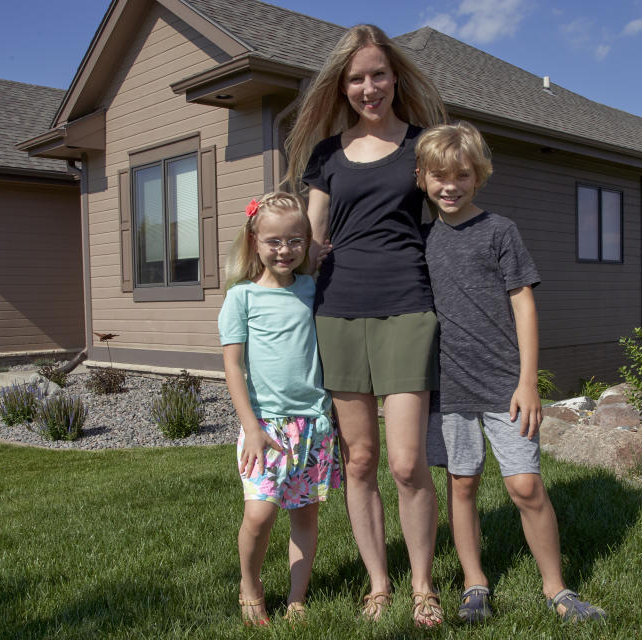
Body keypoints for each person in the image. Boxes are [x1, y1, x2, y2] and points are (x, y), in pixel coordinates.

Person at [284, 24, 447, 626]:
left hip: (407, 305)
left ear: (394, 77)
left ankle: (423, 583)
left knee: (406, 462)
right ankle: (380, 582)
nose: (368, 87)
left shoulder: (424, 146)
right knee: (359, 460)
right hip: (339, 312)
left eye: (377, 74)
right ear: (342, 86)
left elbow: (452, 207)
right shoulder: (326, 155)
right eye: (356, 78)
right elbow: (311, 237)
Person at [416, 122, 608, 624]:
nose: (449, 186)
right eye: (439, 175)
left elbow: (524, 305)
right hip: (449, 385)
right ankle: (474, 584)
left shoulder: (500, 231)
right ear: (421, 178)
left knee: (525, 486)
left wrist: (527, 381)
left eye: (461, 175)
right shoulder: (421, 239)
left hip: (504, 383)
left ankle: (557, 589)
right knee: (462, 484)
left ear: (478, 177)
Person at [218, 192, 341, 626]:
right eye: (273, 241)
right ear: (254, 241)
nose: (284, 250)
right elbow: (233, 368)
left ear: (306, 242)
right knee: (259, 513)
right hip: (265, 426)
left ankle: (296, 599)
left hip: (313, 424)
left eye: (294, 240)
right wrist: (250, 427)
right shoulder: (242, 298)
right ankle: (249, 586)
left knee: (305, 515)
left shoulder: (313, 290)